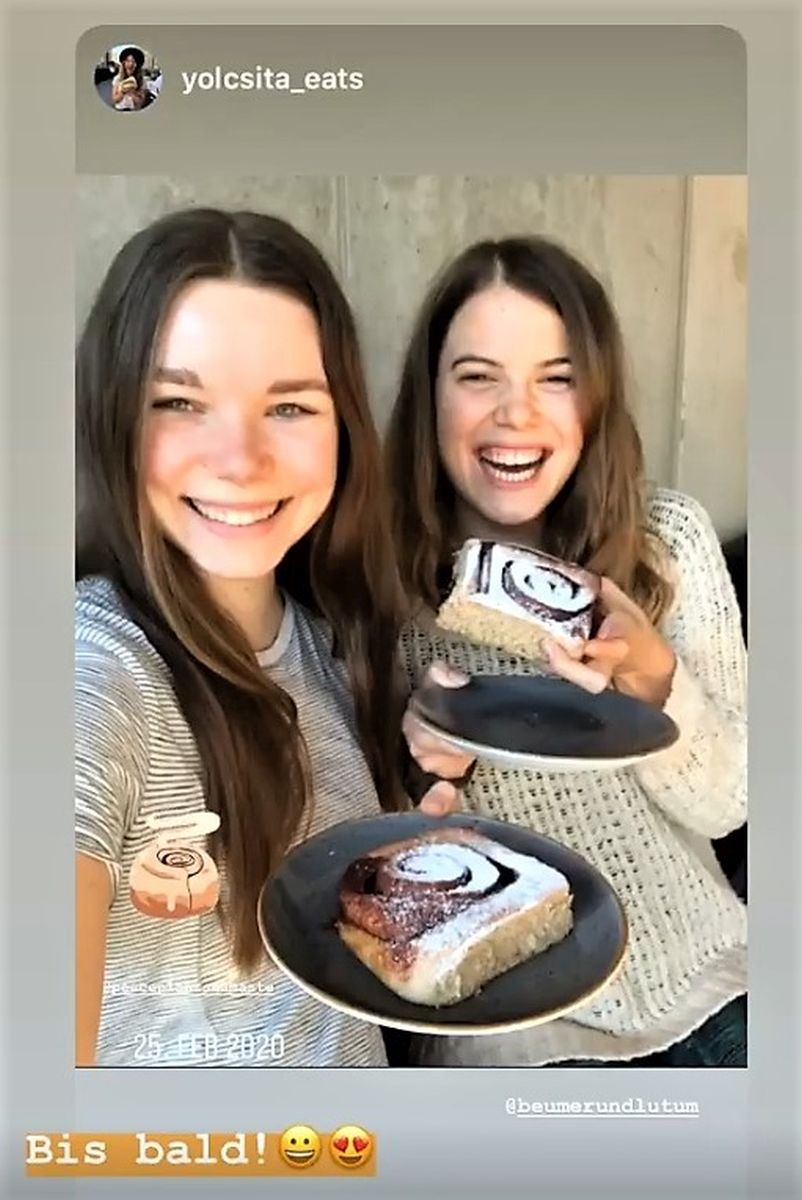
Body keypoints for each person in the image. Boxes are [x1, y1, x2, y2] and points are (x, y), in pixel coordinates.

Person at [75, 207, 465, 1068]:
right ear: (113, 419)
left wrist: (387, 863)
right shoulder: (94, 674)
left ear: (343, 429)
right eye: (179, 402)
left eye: (289, 405)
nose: (241, 459)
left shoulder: (328, 642)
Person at [386, 235, 747, 1067]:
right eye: (478, 377)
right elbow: (366, 873)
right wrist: (422, 774)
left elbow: (732, 805)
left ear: (597, 398)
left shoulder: (664, 542)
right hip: (517, 1031)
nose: (517, 414)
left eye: (557, 377)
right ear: (429, 397)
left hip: (708, 981)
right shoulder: (378, 582)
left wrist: (655, 678)